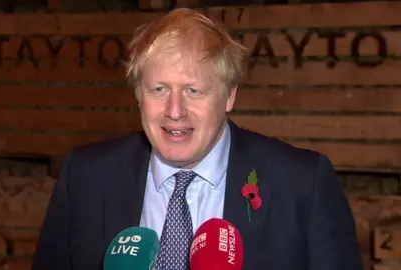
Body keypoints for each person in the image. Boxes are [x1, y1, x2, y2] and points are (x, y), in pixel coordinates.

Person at [31, 8, 363, 270]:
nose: (175, 111)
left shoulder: (303, 183)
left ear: (229, 96)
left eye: (193, 91)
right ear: (137, 94)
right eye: (159, 89)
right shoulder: (86, 176)